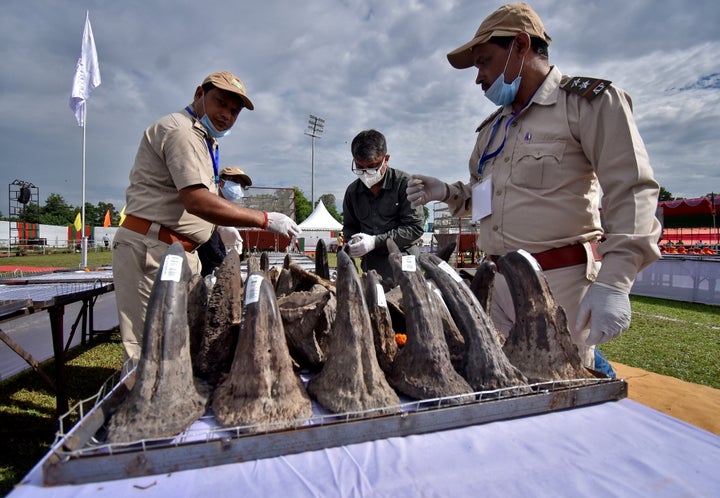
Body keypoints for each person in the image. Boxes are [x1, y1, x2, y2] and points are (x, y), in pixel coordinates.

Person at [406, 3, 661, 367]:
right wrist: (447, 192)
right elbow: (485, 200)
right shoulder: (492, 130)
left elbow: (632, 190)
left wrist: (614, 281)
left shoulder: (586, 104)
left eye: (484, 61)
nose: (478, 77)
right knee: (492, 390)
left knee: (557, 400)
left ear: (521, 46)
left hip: (558, 287)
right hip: (494, 287)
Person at [113, 71, 301, 361]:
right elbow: (197, 200)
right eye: (220, 103)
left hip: (177, 250)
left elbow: (194, 200)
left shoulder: (203, 139)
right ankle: (140, 402)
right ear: (199, 93)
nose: (226, 115)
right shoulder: (183, 132)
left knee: (175, 343)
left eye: (234, 111)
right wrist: (264, 219)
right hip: (153, 250)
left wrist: (216, 226)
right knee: (149, 350)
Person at [343, 129, 424, 289]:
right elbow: (349, 226)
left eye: (372, 167)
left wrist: (375, 241)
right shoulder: (352, 192)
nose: (366, 174)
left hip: (404, 260)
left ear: (386, 159)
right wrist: (353, 242)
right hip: (372, 266)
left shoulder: (406, 184)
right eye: (360, 167)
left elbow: (415, 228)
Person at [197, 166, 253, 276]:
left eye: (242, 186)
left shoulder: (221, 211)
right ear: (221, 182)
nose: (239, 187)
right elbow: (211, 248)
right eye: (235, 182)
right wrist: (227, 265)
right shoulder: (208, 203)